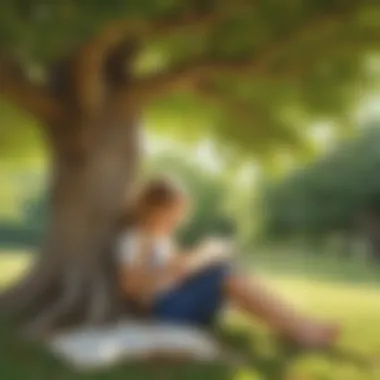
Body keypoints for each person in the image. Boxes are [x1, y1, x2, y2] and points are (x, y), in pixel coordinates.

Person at [116, 176, 339, 348]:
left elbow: (175, 267)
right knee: (225, 275)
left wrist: (199, 256)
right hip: (164, 312)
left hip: (178, 301)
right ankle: (298, 329)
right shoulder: (136, 239)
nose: (179, 219)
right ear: (156, 210)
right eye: (175, 212)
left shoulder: (163, 239)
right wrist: (181, 267)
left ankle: (295, 325)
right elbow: (131, 287)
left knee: (229, 271)